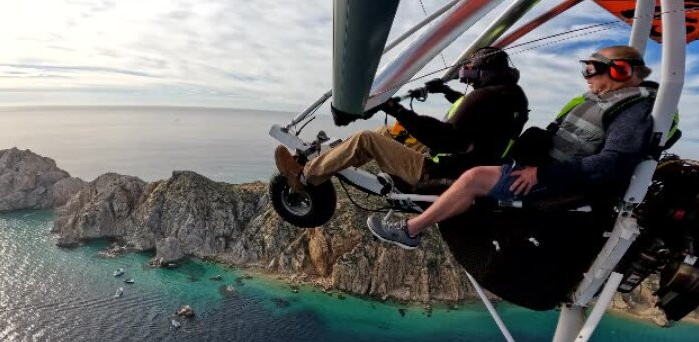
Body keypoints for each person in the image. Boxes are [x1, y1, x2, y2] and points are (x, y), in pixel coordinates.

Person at [367, 45, 657, 249]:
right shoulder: (599, 102)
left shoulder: (632, 111)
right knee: (475, 168)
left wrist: (542, 174)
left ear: (620, 71)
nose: (588, 77)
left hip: (556, 181)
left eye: (592, 70)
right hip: (544, 167)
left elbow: (613, 162)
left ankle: (411, 231)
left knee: (474, 177)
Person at [274, 47, 529, 192]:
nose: (466, 80)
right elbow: (475, 123)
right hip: (469, 165)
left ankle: (304, 177)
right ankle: (326, 163)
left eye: (469, 73)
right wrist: (445, 92)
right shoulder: (512, 96)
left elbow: (444, 138)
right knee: (386, 133)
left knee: (366, 139)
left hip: (441, 173)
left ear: (483, 71)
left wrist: (397, 109)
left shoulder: (484, 97)